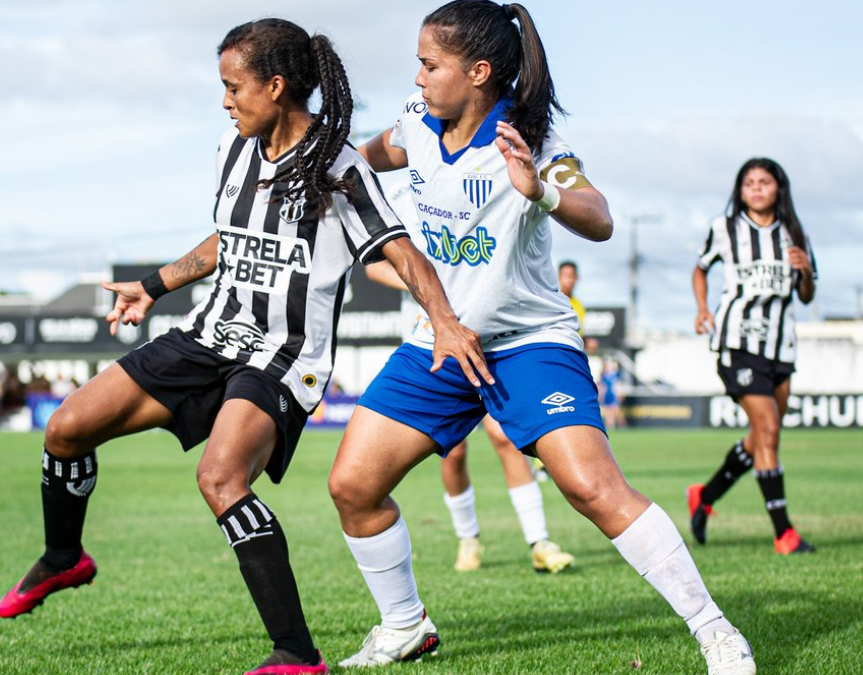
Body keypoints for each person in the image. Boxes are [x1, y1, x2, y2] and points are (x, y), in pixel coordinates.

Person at [0, 19, 476, 675]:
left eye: (233, 86)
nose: (225, 100)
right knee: (67, 427)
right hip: (208, 335)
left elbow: (399, 247)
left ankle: (296, 653)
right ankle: (63, 557)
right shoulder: (233, 147)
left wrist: (444, 320)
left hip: (281, 356)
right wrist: (154, 285)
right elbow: (228, 237)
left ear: (275, 87)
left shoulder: (337, 167)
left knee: (220, 477)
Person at [327, 3, 755, 673]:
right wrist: (324, 162)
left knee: (591, 487)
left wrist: (543, 193)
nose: (417, 77)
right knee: (353, 483)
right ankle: (404, 625)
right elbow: (365, 157)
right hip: (439, 340)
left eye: (429, 64)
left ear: (479, 72)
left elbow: (601, 216)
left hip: (529, 342)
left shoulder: (530, 144)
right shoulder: (416, 123)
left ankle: (716, 630)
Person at [366, 263, 575, 574]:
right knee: (452, 452)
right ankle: (468, 539)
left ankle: (539, 541)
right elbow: (376, 267)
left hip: (495, 344)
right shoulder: (420, 223)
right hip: (438, 346)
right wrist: (428, 286)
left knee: (506, 440)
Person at [689, 157, 817, 556]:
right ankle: (784, 533)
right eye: (749, 183)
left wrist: (806, 271)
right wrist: (702, 308)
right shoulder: (724, 228)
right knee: (770, 431)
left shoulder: (794, 234)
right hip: (737, 345)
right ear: (740, 190)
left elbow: (807, 294)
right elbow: (700, 268)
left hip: (781, 348)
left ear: (779, 187)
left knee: (762, 435)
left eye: (764, 182)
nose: (757, 188)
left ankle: (704, 495)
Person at [598, 358, 627, 429]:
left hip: (614, 395)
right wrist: (601, 395)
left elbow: (619, 385)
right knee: (609, 413)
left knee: (617, 411)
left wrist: (620, 394)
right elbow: (601, 386)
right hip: (607, 395)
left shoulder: (616, 375)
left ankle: (623, 426)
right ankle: (611, 427)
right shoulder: (604, 376)